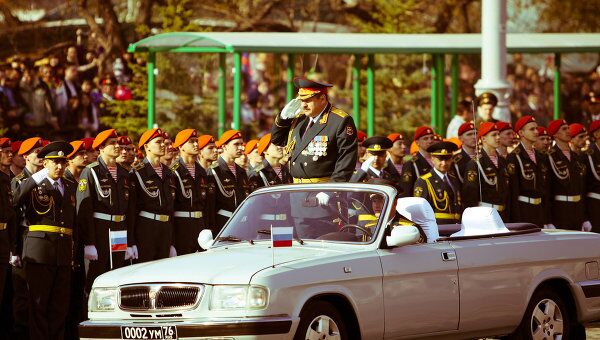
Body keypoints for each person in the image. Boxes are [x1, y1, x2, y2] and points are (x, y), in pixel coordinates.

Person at [12, 141, 76, 340]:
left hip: (63, 251)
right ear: (44, 164)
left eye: (63, 162)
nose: (59, 166)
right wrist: (35, 179)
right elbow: (15, 199)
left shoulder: (69, 185)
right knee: (38, 304)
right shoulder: (32, 184)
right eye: (54, 162)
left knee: (59, 306)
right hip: (40, 250)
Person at [76, 129, 133, 294]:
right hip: (100, 229)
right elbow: (84, 209)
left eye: (118, 143)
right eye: (112, 144)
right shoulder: (91, 171)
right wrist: (89, 242)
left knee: (116, 274)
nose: (118, 147)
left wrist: (129, 242)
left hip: (119, 230)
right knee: (95, 276)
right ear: (100, 147)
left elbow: (128, 209)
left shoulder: (124, 173)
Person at [271, 77, 357, 184]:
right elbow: (277, 140)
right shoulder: (299, 118)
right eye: (301, 100)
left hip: (322, 188)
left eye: (307, 100)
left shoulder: (339, 121)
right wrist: (283, 118)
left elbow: (347, 160)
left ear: (322, 99)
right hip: (296, 188)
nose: (303, 105)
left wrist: (332, 188)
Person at [9, 136, 45, 340]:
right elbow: (14, 208)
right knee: (23, 293)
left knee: (40, 291)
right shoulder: (18, 181)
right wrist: (14, 249)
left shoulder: (49, 179)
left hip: (42, 239)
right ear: (25, 157)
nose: (40, 157)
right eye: (36, 153)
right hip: (24, 237)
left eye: (42, 153)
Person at [128, 128, 176, 262]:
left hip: (165, 229)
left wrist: (172, 241)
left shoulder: (169, 173)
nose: (163, 145)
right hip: (146, 228)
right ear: (147, 147)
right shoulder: (137, 173)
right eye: (158, 142)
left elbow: (172, 209)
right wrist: (131, 242)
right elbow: (132, 210)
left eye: (164, 142)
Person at [171, 129, 213, 255]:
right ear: (181, 147)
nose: (196, 144)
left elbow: (207, 205)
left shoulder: (201, 171)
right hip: (182, 225)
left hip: (200, 224)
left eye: (196, 141)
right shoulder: (174, 170)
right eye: (191, 142)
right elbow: (171, 206)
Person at [545, 119, 590, 231]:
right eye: (564, 129)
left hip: (577, 212)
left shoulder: (576, 157)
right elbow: (547, 192)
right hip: (560, 211)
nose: (568, 131)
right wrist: (548, 220)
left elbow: (582, 190)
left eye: (568, 128)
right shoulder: (550, 157)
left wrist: (584, 217)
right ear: (555, 134)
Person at [63, 140, 88, 340]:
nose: (85, 156)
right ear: (69, 158)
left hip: (81, 238)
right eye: (81, 153)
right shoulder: (66, 179)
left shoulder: (81, 178)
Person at [506, 115, 550, 228]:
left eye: (536, 128)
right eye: (531, 129)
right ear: (521, 133)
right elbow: (513, 192)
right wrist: (516, 220)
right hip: (523, 210)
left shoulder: (541, 157)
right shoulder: (514, 157)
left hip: (539, 209)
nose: (536, 132)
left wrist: (547, 218)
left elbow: (545, 189)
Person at [462, 122, 510, 221]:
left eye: (498, 134)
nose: (498, 137)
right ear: (483, 138)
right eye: (493, 135)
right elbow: (470, 196)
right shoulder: (476, 163)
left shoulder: (503, 161)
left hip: (504, 214)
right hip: (485, 215)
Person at [413, 141, 463, 224]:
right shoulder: (424, 181)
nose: (444, 163)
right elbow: (420, 210)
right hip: (436, 226)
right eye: (440, 159)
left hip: (456, 224)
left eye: (447, 159)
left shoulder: (453, 179)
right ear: (432, 159)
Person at [211, 130, 250, 229]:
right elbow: (210, 206)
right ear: (224, 146)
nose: (241, 147)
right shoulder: (215, 170)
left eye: (241, 144)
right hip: (222, 224)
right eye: (236, 144)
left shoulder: (241, 171)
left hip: (241, 222)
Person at [0, 138, 16, 327]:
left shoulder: (7, 179)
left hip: (4, 239)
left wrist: (12, 245)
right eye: (6, 151)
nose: (10, 154)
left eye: (11, 151)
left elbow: (10, 215)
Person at [399, 126, 436, 198]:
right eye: (425, 139)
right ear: (417, 142)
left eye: (432, 138)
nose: (430, 141)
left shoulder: (439, 161)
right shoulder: (411, 164)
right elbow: (406, 192)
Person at [584, 120, 600, 231]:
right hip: (595, 205)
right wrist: (584, 217)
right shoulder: (589, 154)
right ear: (596, 134)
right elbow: (583, 187)